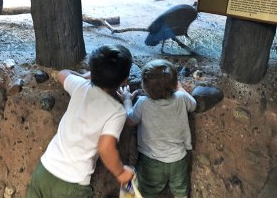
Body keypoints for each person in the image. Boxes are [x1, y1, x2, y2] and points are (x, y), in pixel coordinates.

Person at [26, 44, 134, 198]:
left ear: (92, 72)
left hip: (44, 170)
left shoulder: (80, 86)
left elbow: (62, 74)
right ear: (125, 80)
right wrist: (121, 173)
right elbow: (106, 148)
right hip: (72, 185)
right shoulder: (117, 112)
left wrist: (84, 77)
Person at [117, 59, 197, 198]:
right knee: (180, 189)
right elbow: (194, 105)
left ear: (144, 87)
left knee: (147, 191)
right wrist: (181, 88)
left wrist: (127, 100)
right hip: (179, 159)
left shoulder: (143, 103)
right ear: (174, 84)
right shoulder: (182, 97)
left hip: (151, 162)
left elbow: (130, 121)